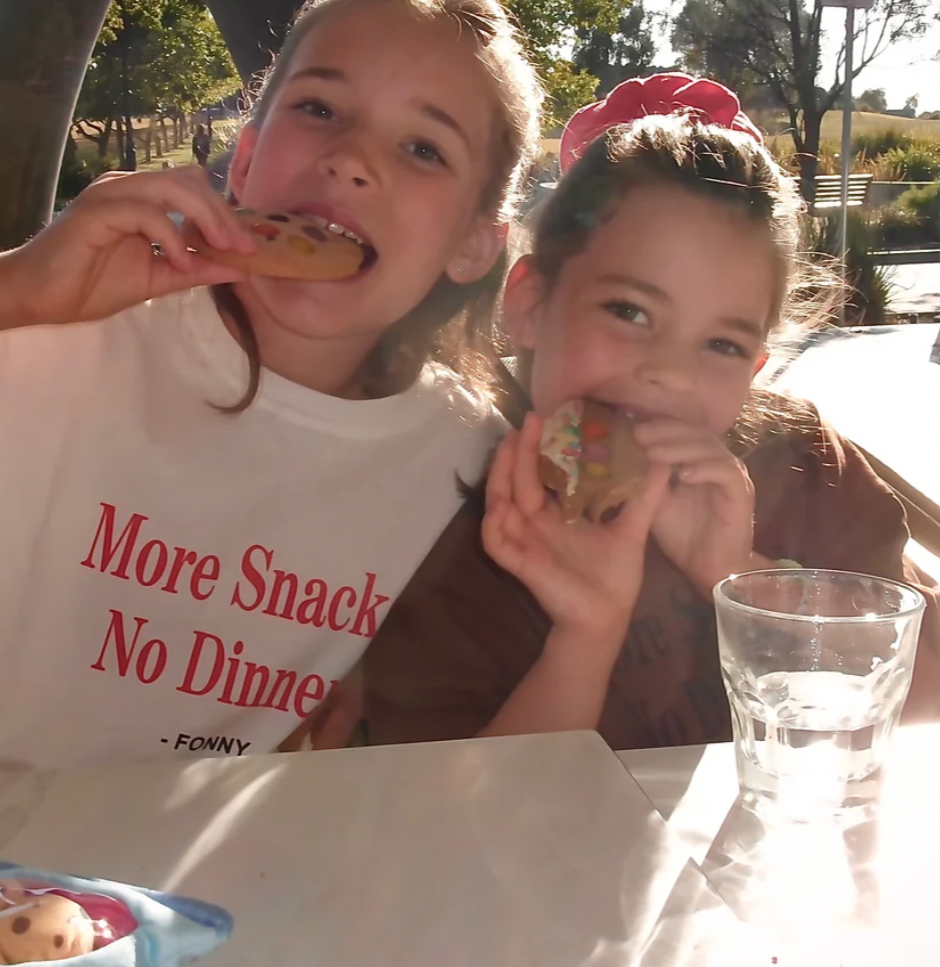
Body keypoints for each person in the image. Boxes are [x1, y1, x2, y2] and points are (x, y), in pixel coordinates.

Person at [0, 0, 543, 785]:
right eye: (319, 108)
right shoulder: (37, 346)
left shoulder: (476, 468)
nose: (352, 159)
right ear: (248, 158)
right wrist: (7, 286)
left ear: (477, 242)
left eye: (423, 148)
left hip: (201, 909)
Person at [355, 73, 940, 749]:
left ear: (754, 368)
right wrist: (585, 635)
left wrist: (736, 578)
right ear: (530, 305)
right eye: (629, 311)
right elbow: (452, 817)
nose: (668, 372)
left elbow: (923, 693)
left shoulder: (798, 462)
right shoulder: (448, 512)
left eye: (720, 343)